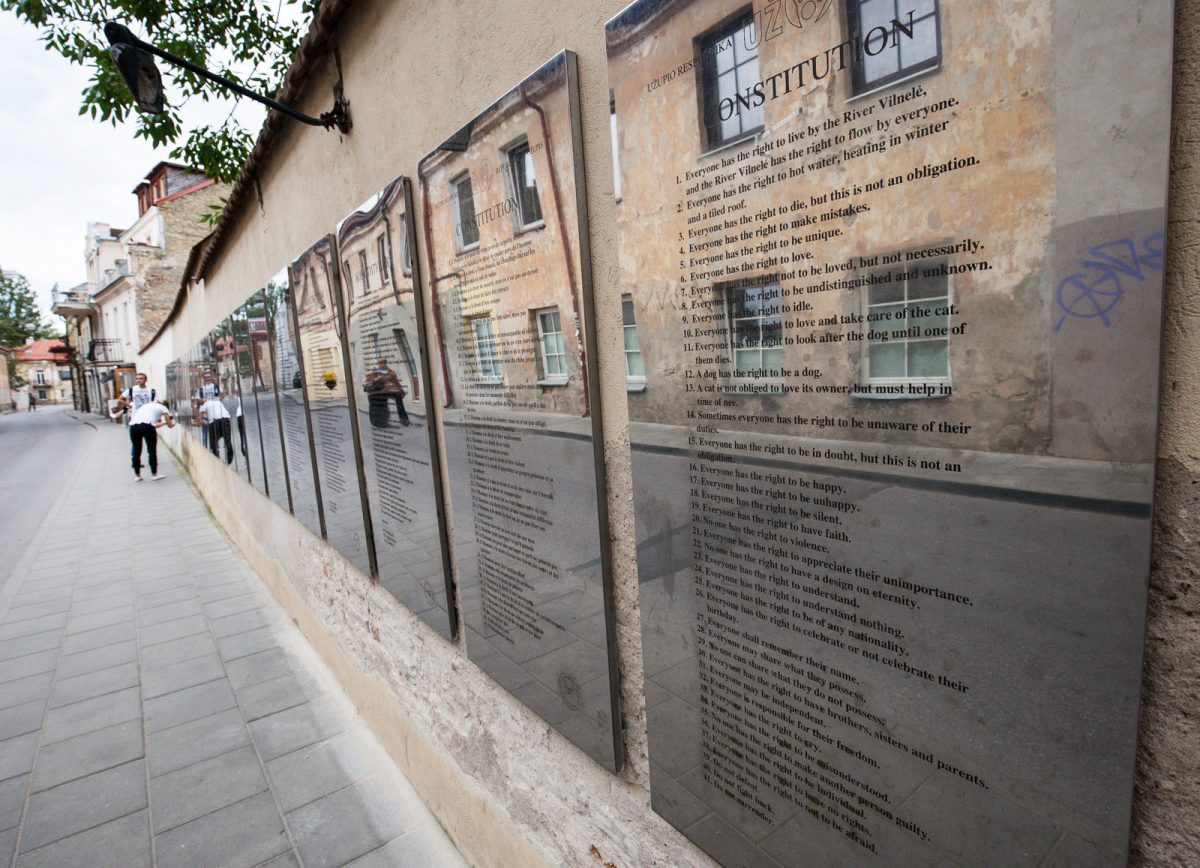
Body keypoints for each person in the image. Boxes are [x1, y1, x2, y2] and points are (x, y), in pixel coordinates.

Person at [129, 398, 174, 481]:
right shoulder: (163, 408)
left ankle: (137, 476)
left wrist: (163, 423)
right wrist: (171, 422)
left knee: (136, 451)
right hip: (147, 427)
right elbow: (170, 425)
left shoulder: (146, 406)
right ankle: (154, 474)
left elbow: (155, 424)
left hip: (133, 427)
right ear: (166, 406)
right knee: (151, 450)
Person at [362, 358, 410, 428]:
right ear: (378, 364)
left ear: (386, 363)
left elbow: (396, 382)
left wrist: (401, 390)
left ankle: (404, 419)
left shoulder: (391, 372)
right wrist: (375, 380)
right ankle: (379, 421)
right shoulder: (374, 372)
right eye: (381, 363)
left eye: (384, 363)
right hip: (378, 391)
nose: (383, 365)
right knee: (377, 401)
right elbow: (365, 383)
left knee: (398, 396)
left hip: (389, 391)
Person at [199, 393, 234, 464]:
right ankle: (229, 460)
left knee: (213, 444)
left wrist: (204, 421)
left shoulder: (204, 404)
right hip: (226, 418)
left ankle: (216, 459)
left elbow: (200, 418)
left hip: (215, 422)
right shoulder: (218, 402)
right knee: (228, 441)